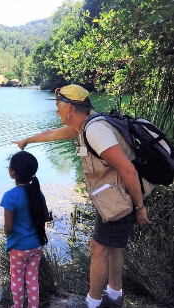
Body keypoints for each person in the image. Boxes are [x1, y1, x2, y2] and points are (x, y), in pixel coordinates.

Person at [12, 84, 154, 308]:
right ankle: (115, 296)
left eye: (58, 105)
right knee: (114, 246)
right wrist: (26, 141)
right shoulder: (84, 126)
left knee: (97, 248)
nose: (56, 109)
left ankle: (92, 303)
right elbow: (51, 134)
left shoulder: (95, 132)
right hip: (116, 197)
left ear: (70, 107)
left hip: (122, 199)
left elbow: (128, 170)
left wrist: (139, 208)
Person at [0, 151, 49, 308]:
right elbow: (46, 216)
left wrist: (8, 235)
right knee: (32, 279)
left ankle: (18, 306)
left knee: (17, 280)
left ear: (12, 172)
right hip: (37, 245)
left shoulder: (9, 196)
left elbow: (8, 227)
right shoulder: (37, 192)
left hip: (18, 248)